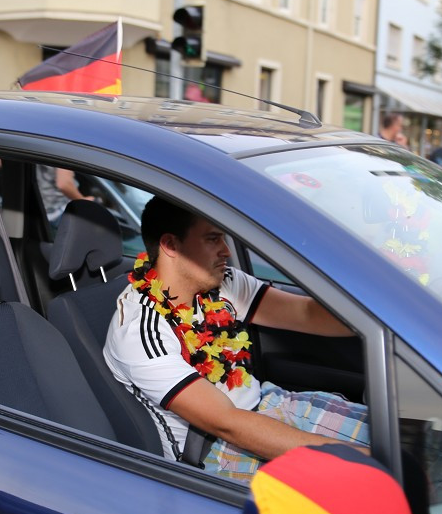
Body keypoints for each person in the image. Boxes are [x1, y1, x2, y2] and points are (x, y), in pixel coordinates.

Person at [103, 197, 370, 482]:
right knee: (365, 482)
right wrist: (346, 457)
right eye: (213, 239)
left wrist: (381, 317)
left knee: (400, 443)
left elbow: (305, 314)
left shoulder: (223, 284)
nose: (227, 251)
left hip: (269, 402)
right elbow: (227, 423)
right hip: (215, 450)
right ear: (171, 245)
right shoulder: (141, 331)